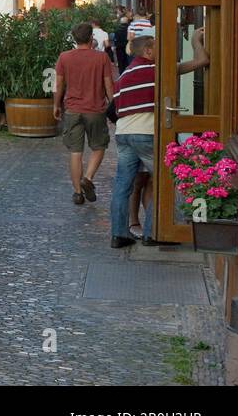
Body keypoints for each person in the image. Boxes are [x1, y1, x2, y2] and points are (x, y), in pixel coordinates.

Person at [109, 29, 208, 249]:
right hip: (146, 132)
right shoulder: (159, 70)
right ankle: (153, 232)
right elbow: (202, 61)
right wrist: (195, 40)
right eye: (157, 47)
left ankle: (118, 234)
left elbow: (115, 108)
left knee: (122, 185)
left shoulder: (123, 76)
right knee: (165, 179)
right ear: (147, 51)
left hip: (123, 133)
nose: (162, 51)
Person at [54, 21, 116, 206]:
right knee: (99, 147)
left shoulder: (64, 57)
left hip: (72, 109)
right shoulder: (101, 58)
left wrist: (56, 105)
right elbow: (108, 85)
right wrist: (114, 105)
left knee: (75, 152)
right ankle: (87, 178)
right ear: (91, 38)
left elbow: (59, 85)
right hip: (96, 110)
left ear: (74, 38)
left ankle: (78, 193)